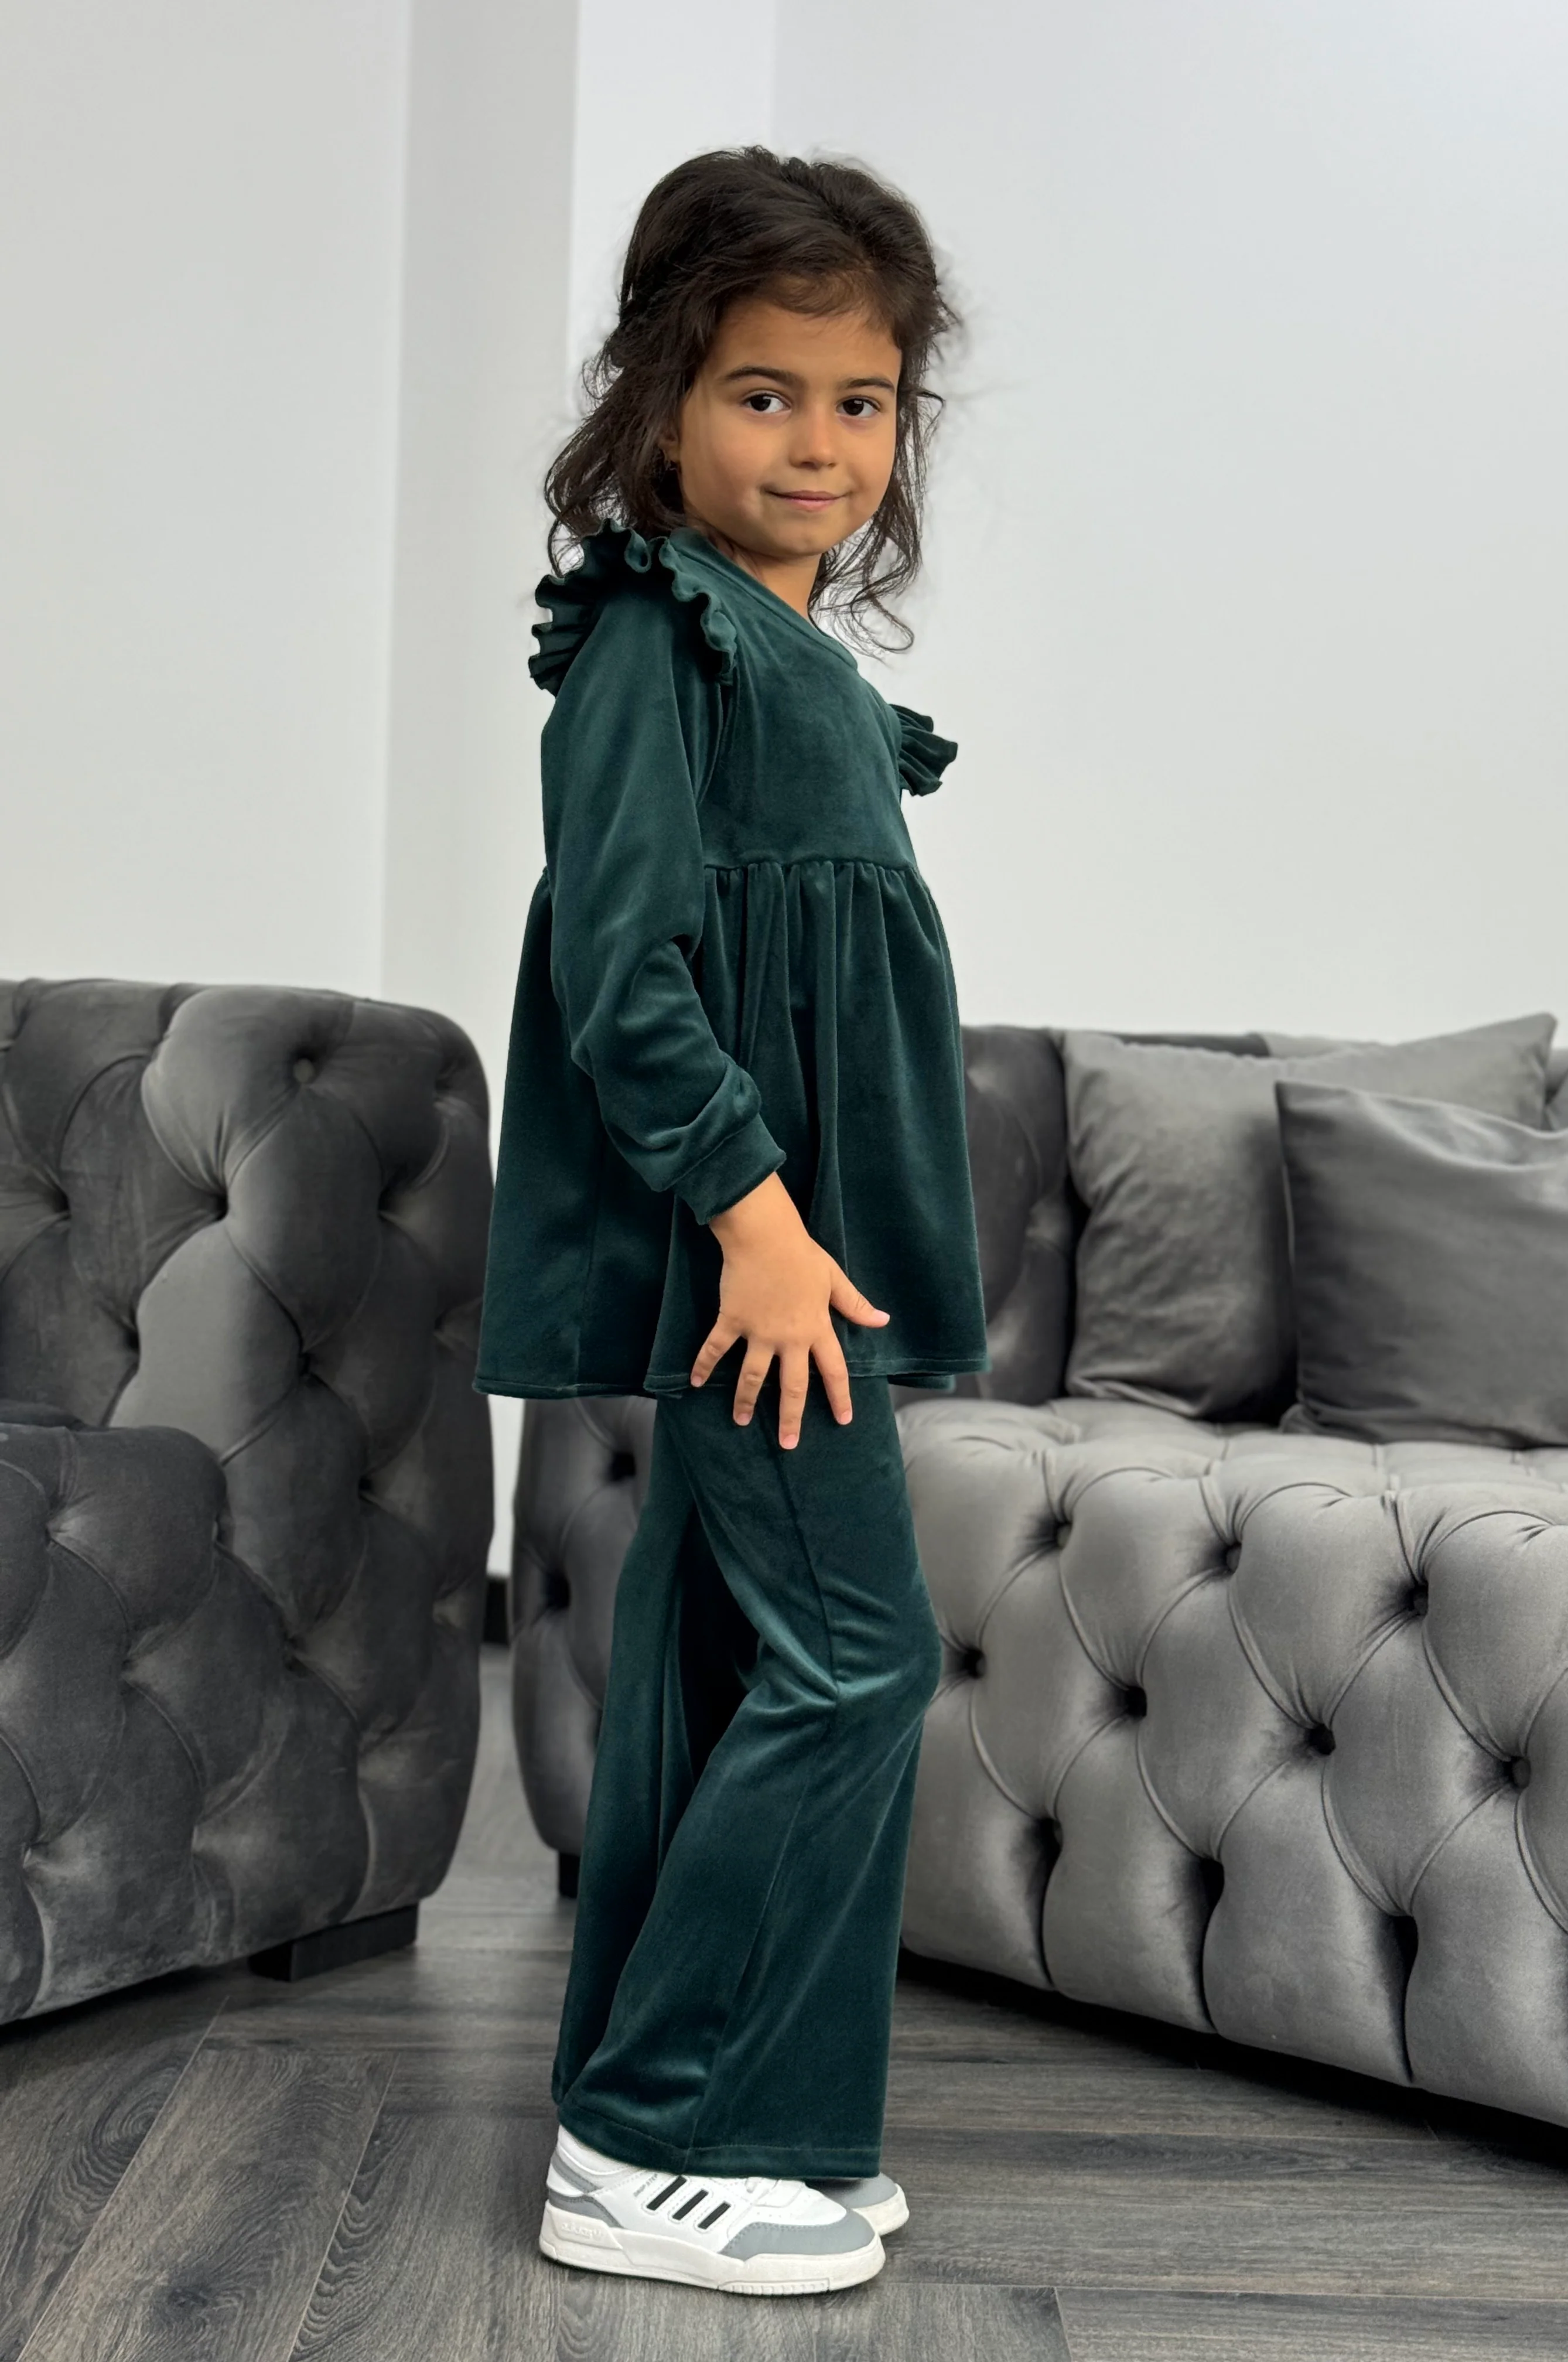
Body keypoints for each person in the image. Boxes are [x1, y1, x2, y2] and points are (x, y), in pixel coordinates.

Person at [471, 145, 991, 2297]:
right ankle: (663, 2132)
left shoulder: (795, 658)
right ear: (664, 398)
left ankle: (730, 2119)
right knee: (860, 1657)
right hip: (753, 1259)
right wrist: (758, 1224)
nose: (818, 444)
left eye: (861, 402)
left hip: (801, 1250)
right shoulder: (648, 639)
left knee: (720, 1661)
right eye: (765, 393)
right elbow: (629, 976)